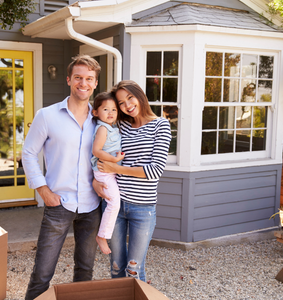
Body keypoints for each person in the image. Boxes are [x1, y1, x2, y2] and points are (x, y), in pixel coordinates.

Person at [22, 54, 102, 300]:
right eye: (78, 77)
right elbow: (28, 152)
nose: (83, 83)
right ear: (69, 79)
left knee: (85, 270)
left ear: (95, 83)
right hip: (59, 204)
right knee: (43, 273)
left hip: (92, 205)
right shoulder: (47, 115)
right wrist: (42, 189)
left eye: (89, 78)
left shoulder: (101, 120)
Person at [94, 80, 171, 282]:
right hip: (115, 205)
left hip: (143, 209)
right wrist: (95, 182)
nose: (127, 105)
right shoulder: (121, 126)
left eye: (130, 98)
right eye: (121, 103)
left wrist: (116, 168)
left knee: (134, 269)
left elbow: (155, 171)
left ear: (140, 95)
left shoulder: (160, 125)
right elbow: (96, 145)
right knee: (116, 267)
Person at [90, 92, 124, 255]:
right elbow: (96, 150)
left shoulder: (112, 127)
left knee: (113, 201)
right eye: (105, 109)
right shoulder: (103, 129)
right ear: (95, 112)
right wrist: (114, 160)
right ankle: (102, 236)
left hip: (109, 171)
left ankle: (103, 235)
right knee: (114, 203)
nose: (110, 113)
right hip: (104, 171)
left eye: (114, 110)